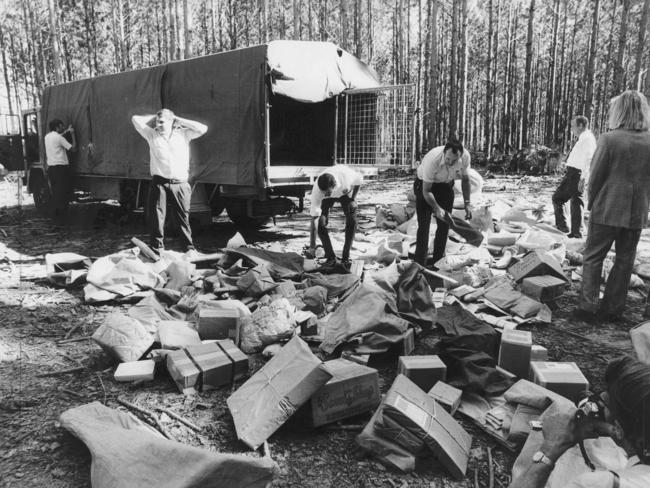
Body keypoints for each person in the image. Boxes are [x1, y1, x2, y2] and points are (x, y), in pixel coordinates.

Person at [509, 355, 650, 488]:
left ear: (618, 429)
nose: (599, 397)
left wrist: (549, 450)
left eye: (606, 403)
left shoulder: (601, 484)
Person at [576, 90, 650, 321]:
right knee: (624, 261)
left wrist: (591, 203)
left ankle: (587, 307)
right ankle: (613, 310)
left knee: (593, 257)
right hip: (636, 211)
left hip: (607, 207)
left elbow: (596, 176)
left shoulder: (609, 139)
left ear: (619, 111)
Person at [131, 109, 207, 255]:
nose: (158, 125)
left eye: (162, 122)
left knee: (183, 217)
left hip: (180, 184)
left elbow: (203, 128)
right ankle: (156, 248)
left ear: (171, 122)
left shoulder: (183, 134)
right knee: (157, 217)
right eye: (157, 122)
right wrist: (156, 115)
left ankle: (188, 249)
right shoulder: (151, 134)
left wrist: (177, 117)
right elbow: (135, 119)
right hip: (160, 183)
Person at [413, 140, 472, 267]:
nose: (450, 163)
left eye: (454, 161)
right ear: (444, 153)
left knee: (445, 224)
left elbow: (466, 179)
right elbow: (427, 191)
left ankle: (438, 262)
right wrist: (436, 208)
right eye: (448, 159)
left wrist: (467, 203)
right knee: (424, 226)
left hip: (445, 185)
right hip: (425, 186)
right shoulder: (433, 160)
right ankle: (420, 265)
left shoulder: (466, 157)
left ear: (460, 156)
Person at [306, 165, 362, 267]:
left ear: (334, 185)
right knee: (320, 223)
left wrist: (353, 199)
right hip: (327, 200)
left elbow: (359, 180)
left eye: (327, 192)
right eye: (324, 193)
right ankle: (331, 257)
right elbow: (314, 218)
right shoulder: (317, 191)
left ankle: (346, 257)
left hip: (345, 194)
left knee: (352, 219)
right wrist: (312, 247)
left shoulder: (347, 176)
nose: (325, 194)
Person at [552, 116, 597, 238]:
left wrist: (583, 177)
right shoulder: (584, 138)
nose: (572, 129)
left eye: (573, 126)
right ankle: (574, 230)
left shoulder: (587, 139)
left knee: (560, 199)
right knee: (574, 201)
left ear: (581, 126)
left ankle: (568, 229)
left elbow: (589, 159)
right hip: (574, 173)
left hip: (576, 174)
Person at [44, 119, 77, 224]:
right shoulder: (59, 138)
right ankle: (62, 220)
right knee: (63, 194)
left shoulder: (47, 137)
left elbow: (57, 138)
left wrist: (66, 131)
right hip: (61, 170)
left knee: (56, 194)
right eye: (62, 126)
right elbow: (74, 149)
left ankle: (56, 219)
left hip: (52, 169)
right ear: (57, 127)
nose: (63, 128)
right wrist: (72, 134)